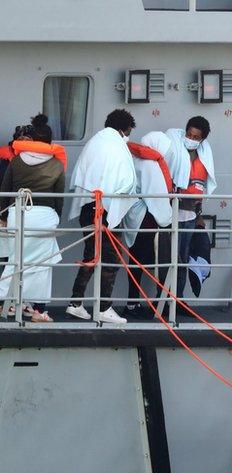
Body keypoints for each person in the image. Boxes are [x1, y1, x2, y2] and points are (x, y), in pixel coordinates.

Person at [67, 109, 138, 324]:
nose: (128, 137)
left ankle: (75, 303)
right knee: (110, 260)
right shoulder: (116, 146)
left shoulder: (94, 143)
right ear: (121, 130)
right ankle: (104, 307)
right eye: (127, 132)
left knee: (91, 256)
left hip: (88, 208)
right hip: (104, 212)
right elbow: (125, 181)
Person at [0, 115, 65, 322]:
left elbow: (6, 189)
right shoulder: (56, 164)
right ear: (49, 142)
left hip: (18, 214)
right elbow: (59, 197)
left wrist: (2, 216)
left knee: (14, 260)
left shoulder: (17, 160)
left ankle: (4, 302)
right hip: (45, 216)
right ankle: (38, 309)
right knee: (43, 264)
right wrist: (57, 219)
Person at [122, 131, 175, 319]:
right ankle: (160, 305)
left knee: (135, 262)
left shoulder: (133, 157)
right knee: (157, 261)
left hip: (132, 218)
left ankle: (131, 302)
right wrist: (167, 219)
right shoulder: (150, 164)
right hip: (148, 219)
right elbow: (156, 196)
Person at [165, 117, 216, 304]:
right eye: (189, 134)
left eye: (195, 137)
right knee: (167, 260)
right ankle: (163, 299)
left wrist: (199, 216)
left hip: (190, 216)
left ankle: (177, 300)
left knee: (183, 260)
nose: (191, 138)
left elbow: (199, 188)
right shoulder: (175, 151)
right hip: (171, 215)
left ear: (201, 140)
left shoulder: (202, 155)